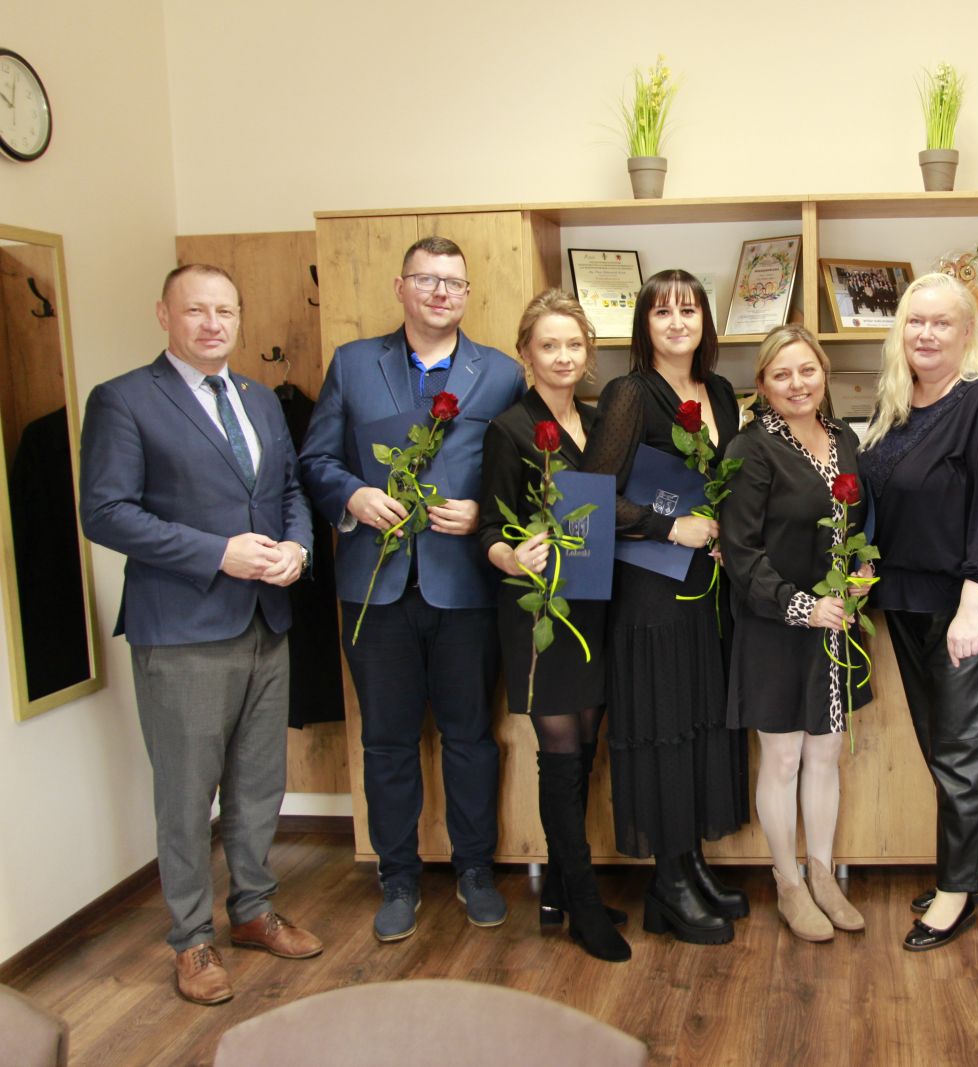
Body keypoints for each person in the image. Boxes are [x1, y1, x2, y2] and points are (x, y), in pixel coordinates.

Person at [78, 264, 322, 1005]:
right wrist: (218, 552)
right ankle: (190, 939)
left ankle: (252, 909)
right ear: (164, 315)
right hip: (182, 627)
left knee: (258, 782)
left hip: (266, 619)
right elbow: (105, 512)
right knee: (187, 795)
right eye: (195, 311)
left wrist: (298, 547)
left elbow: (288, 491)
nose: (212, 324)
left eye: (225, 311)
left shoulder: (258, 397)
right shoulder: (124, 399)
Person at [300, 236, 525, 941]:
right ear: (400, 287)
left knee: (470, 737)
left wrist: (486, 515)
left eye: (453, 282)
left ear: (467, 294)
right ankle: (396, 876)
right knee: (387, 741)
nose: (440, 293)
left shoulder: (502, 374)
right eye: (426, 280)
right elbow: (315, 459)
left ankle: (475, 870)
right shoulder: (352, 364)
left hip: (467, 588)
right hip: (375, 588)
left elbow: (522, 473)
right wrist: (353, 495)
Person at [859, 272, 978, 952]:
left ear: (967, 333)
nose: (926, 333)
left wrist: (972, 607)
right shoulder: (898, 404)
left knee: (962, 751)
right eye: (915, 321)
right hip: (905, 599)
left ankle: (955, 892)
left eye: (941, 323)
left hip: (967, 605)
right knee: (946, 745)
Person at [582, 269, 749, 945]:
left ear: (706, 321)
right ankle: (668, 883)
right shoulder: (629, 393)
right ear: (644, 325)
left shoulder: (720, 392)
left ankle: (692, 864)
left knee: (699, 723)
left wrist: (727, 530)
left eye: (689, 310)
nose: (678, 322)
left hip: (706, 588)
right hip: (650, 592)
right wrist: (667, 526)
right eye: (662, 312)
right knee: (662, 725)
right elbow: (590, 496)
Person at [478, 289, 629, 963]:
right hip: (542, 613)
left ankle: (560, 892)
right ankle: (584, 906)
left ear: (588, 352)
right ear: (525, 354)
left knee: (586, 749)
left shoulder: (600, 423)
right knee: (562, 757)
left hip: (595, 606)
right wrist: (513, 555)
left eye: (574, 344)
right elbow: (489, 526)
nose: (564, 356)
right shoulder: (509, 429)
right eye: (549, 345)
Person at [721, 325, 870, 943]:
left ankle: (823, 875)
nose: (797, 383)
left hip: (835, 623)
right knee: (783, 759)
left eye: (807, 370)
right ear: (762, 385)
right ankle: (788, 882)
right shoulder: (750, 449)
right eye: (781, 374)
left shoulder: (844, 439)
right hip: (776, 625)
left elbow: (858, 524)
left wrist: (862, 574)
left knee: (826, 755)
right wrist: (800, 606)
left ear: (824, 373)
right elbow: (741, 552)